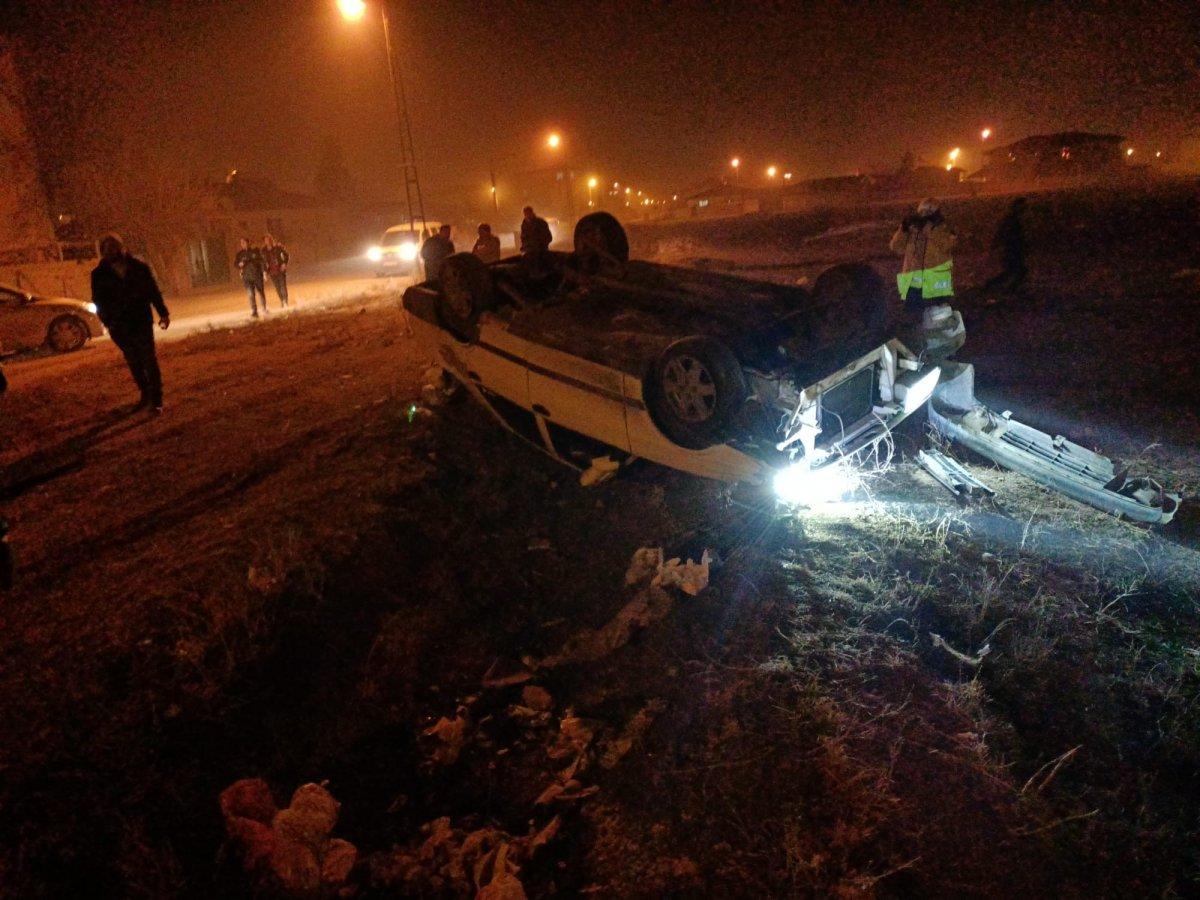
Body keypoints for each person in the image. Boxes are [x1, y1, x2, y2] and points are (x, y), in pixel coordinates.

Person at [91, 234, 170, 413]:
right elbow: (98, 300)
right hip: (119, 326)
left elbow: (153, 291)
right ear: (103, 251)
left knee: (149, 360)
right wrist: (108, 322)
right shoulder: (99, 274)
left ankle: (156, 400)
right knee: (134, 361)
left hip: (141, 321)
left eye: (115, 246)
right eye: (107, 248)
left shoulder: (139, 268)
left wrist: (163, 313)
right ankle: (145, 394)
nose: (111, 251)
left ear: (122, 247)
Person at [889, 197, 957, 323]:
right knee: (913, 320)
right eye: (922, 212)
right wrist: (903, 229)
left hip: (936, 285)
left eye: (929, 213)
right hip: (914, 285)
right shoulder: (913, 230)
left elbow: (946, 244)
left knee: (938, 320)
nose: (924, 216)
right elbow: (895, 247)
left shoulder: (944, 228)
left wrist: (928, 228)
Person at [983, 196, 1028, 298]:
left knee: (1013, 272)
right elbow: (1007, 234)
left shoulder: (1012, 220)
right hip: (1012, 250)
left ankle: (999, 287)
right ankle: (1004, 289)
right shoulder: (1012, 220)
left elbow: (1002, 234)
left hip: (1012, 250)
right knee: (1016, 271)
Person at [235, 237, 268, 318]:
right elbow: (235, 264)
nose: (243, 244)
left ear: (248, 243)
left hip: (257, 275)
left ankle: (264, 308)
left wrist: (264, 271)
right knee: (250, 294)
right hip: (247, 277)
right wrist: (239, 265)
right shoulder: (240, 254)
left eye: (244, 242)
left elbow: (262, 261)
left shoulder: (255, 251)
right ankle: (254, 311)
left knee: (260, 292)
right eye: (241, 243)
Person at [263, 234, 290, 308]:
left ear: (271, 240)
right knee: (277, 287)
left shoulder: (278, 248)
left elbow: (286, 255)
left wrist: (284, 263)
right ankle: (282, 300)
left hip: (280, 270)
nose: (267, 241)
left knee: (283, 286)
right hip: (271, 272)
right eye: (266, 240)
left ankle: (285, 301)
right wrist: (265, 271)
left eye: (269, 240)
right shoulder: (264, 251)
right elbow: (263, 262)